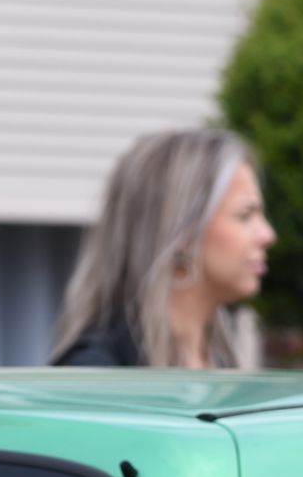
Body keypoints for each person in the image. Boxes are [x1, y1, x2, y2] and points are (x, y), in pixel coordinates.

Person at [52, 128, 277, 368]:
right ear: (183, 231)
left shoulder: (219, 363)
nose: (268, 236)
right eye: (245, 215)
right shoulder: (96, 373)